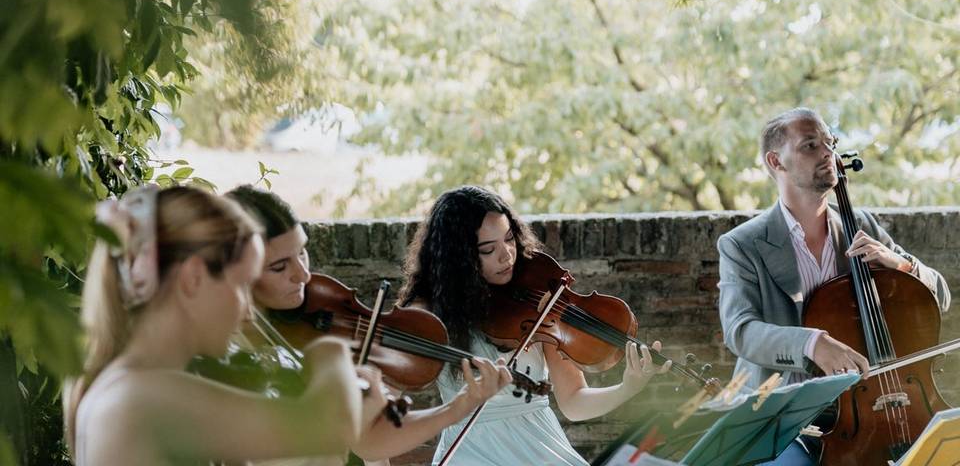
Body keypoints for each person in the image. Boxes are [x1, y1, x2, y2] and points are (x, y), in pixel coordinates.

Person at [64, 185, 377, 466]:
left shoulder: (136, 387)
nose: (247, 309)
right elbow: (329, 426)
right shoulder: (140, 397)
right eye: (241, 285)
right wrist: (329, 352)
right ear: (193, 279)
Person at [717, 107, 951, 465]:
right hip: (787, 422)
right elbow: (740, 331)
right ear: (776, 161)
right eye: (810, 145)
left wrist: (900, 264)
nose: (827, 152)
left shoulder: (863, 226)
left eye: (830, 142)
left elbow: (941, 295)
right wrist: (813, 343)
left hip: (877, 411)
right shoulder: (742, 245)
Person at [225, 185, 511, 464]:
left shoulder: (321, 341)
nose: (302, 275)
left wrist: (458, 406)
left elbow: (371, 441)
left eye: (302, 253)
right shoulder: (224, 353)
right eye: (279, 267)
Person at [397, 185, 670, 466]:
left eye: (509, 239)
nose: (506, 256)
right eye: (488, 249)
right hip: (470, 455)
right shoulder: (425, 313)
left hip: (543, 450)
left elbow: (573, 400)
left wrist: (628, 387)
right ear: (458, 258)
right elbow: (377, 417)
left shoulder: (537, 295)